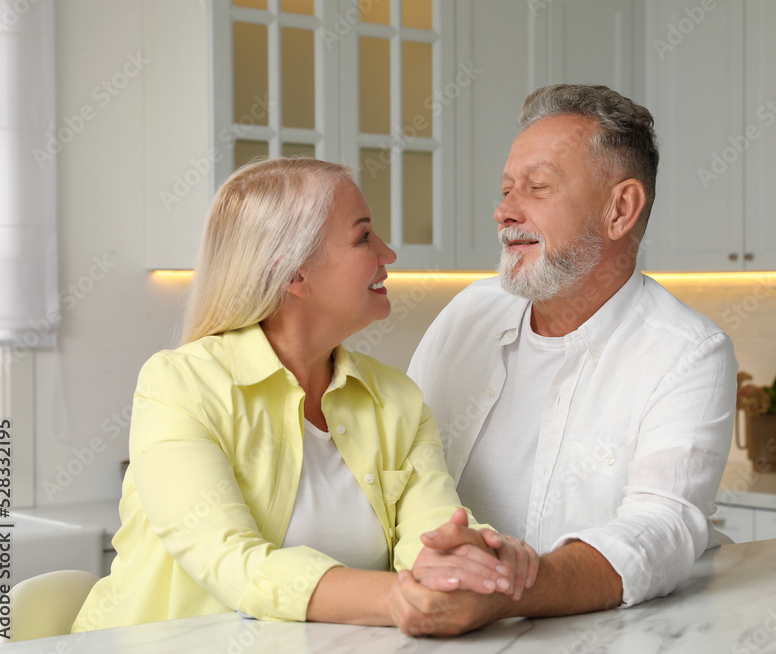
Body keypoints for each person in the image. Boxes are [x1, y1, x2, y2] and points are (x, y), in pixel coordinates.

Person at [72, 158, 536, 633]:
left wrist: (481, 555)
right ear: (295, 275)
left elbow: (432, 530)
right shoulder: (179, 385)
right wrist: (399, 598)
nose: (389, 253)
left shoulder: (395, 399)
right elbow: (229, 562)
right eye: (363, 238)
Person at [395, 85, 738, 635]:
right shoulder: (466, 314)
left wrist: (510, 589)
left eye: (537, 188)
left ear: (619, 209)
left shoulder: (688, 351)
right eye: (507, 189)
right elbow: (399, 466)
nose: (505, 212)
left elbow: (662, 525)